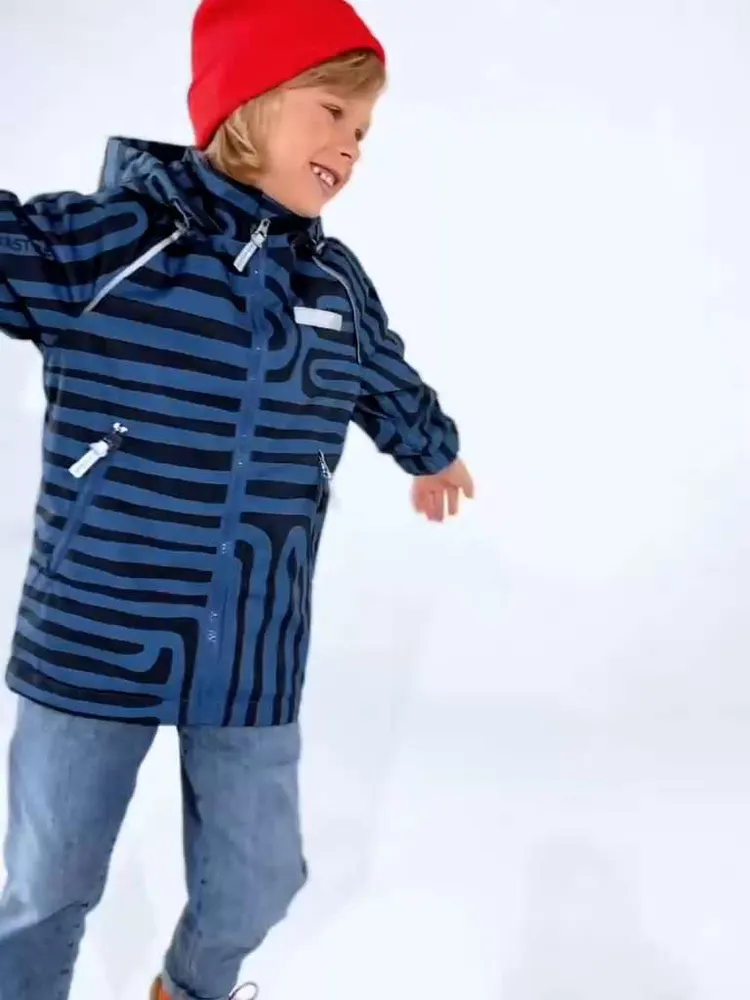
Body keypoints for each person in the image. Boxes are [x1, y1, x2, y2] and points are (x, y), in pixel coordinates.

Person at [0, 0, 474, 997]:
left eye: (364, 130)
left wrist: (434, 453)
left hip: (252, 644)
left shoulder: (333, 284)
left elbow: (384, 377)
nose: (350, 146)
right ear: (250, 103)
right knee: (48, 885)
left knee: (260, 881)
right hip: (95, 632)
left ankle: (187, 989)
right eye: (333, 112)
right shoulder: (115, 243)